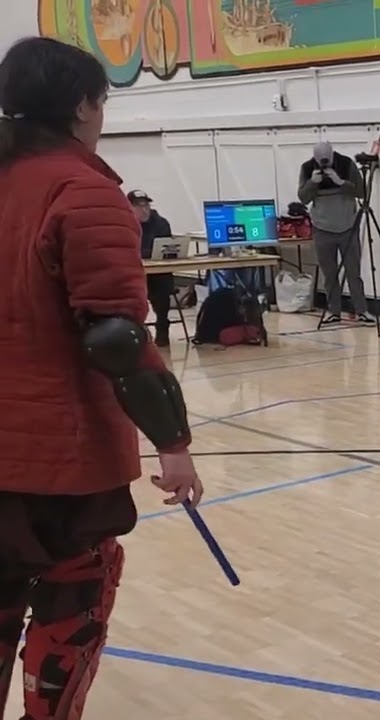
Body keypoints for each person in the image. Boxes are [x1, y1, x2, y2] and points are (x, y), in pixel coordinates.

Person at [0, 36, 203, 719]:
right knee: (67, 619)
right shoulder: (82, 191)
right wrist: (173, 445)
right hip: (58, 464)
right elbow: (115, 339)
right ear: (84, 104)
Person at [299, 140, 374, 325]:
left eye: (328, 160)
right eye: (321, 161)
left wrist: (341, 182)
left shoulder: (346, 164)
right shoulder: (307, 168)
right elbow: (303, 198)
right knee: (329, 272)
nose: (325, 165)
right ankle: (334, 311)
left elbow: (362, 192)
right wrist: (312, 183)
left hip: (347, 226)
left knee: (353, 272)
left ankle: (361, 310)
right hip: (322, 229)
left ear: (333, 154)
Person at [128, 190, 176, 346]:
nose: (144, 209)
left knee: (162, 282)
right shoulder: (124, 224)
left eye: (146, 205)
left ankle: (162, 324)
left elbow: (167, 248)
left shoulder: (161, 223)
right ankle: (134, 329)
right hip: (134, 272)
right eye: (139, 206)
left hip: (157, 273)